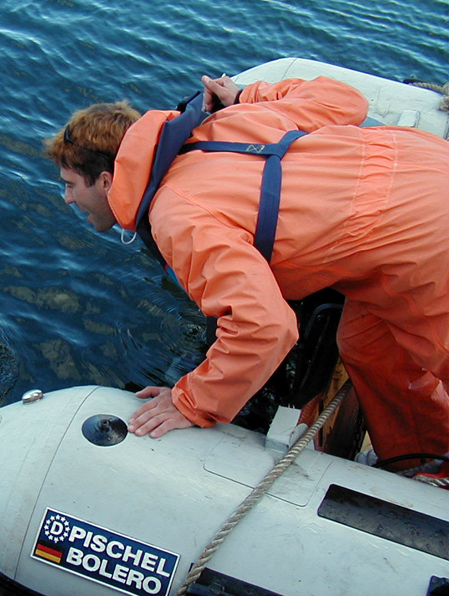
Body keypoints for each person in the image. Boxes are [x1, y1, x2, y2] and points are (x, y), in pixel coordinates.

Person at [44, 73, 449, 468]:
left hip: (426, 238)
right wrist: (247, 94)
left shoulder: (177, 216)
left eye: (70, 185)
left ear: (105, 181)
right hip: (424, 162)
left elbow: (266, 327)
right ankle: (426, 457)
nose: (66, 199)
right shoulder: (228, 121)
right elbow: (345, 101)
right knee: (367, 345)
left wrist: (191, 401)